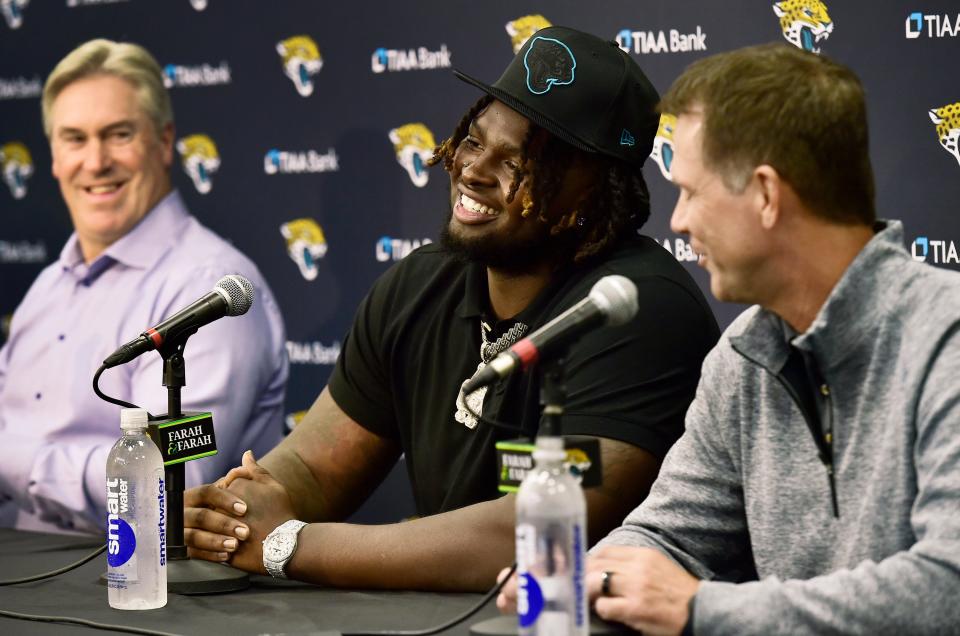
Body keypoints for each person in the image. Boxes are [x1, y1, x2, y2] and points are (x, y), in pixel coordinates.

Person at [183, 26, 719, 591]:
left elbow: (539, 531)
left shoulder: (637, 308)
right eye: (473, 140)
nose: (474, 171)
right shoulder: (421, 283)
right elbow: (315, 468)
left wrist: (290, 542)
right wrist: (240, 510)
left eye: (519, 162)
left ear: (590, 194)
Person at [497, 42, 960, 634]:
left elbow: (947, 587)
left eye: (691, 191)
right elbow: (668, 533)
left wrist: (700, 610)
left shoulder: (944, 338)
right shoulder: (744, 353)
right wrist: (585, 577)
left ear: (765, 195)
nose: (678, 221)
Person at [0, 39, 288, 535]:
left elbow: (166, 485)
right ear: (52, 156)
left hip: (144, 594)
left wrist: (14, 459)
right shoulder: (45, 289)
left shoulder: (206, 289)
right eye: (74, 139)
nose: (95, 162)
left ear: (163, 141)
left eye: (118, 135)